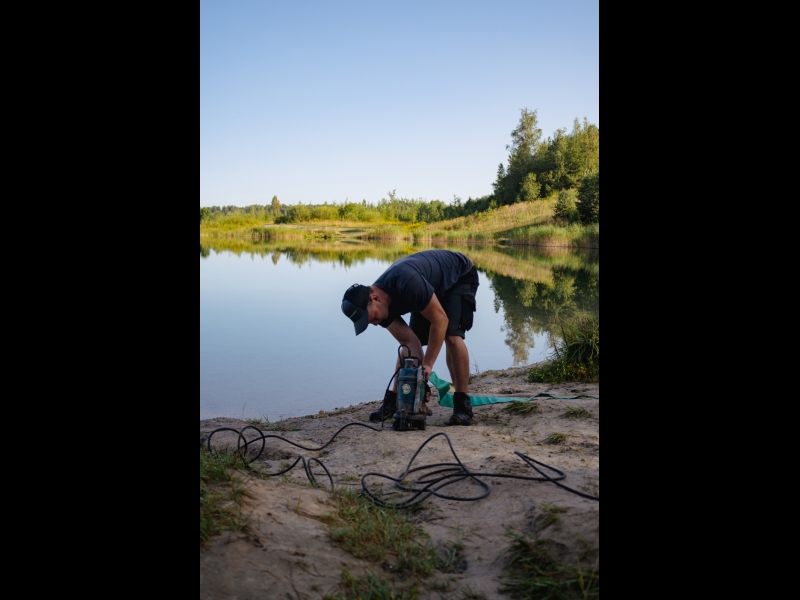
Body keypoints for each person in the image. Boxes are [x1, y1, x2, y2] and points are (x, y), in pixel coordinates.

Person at [341, 249, 479, 425]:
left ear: (375, 298)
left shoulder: (407, 282)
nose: (375, 323)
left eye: (372, 318)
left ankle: (462, 404)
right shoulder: (380, 308)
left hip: (458, 276)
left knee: (451, 336)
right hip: (428, 289)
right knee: (407, 347)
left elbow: (440, 320)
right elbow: (409, 343)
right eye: (369, 322)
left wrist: (428, 364)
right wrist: (419, 381)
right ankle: (392, 400)